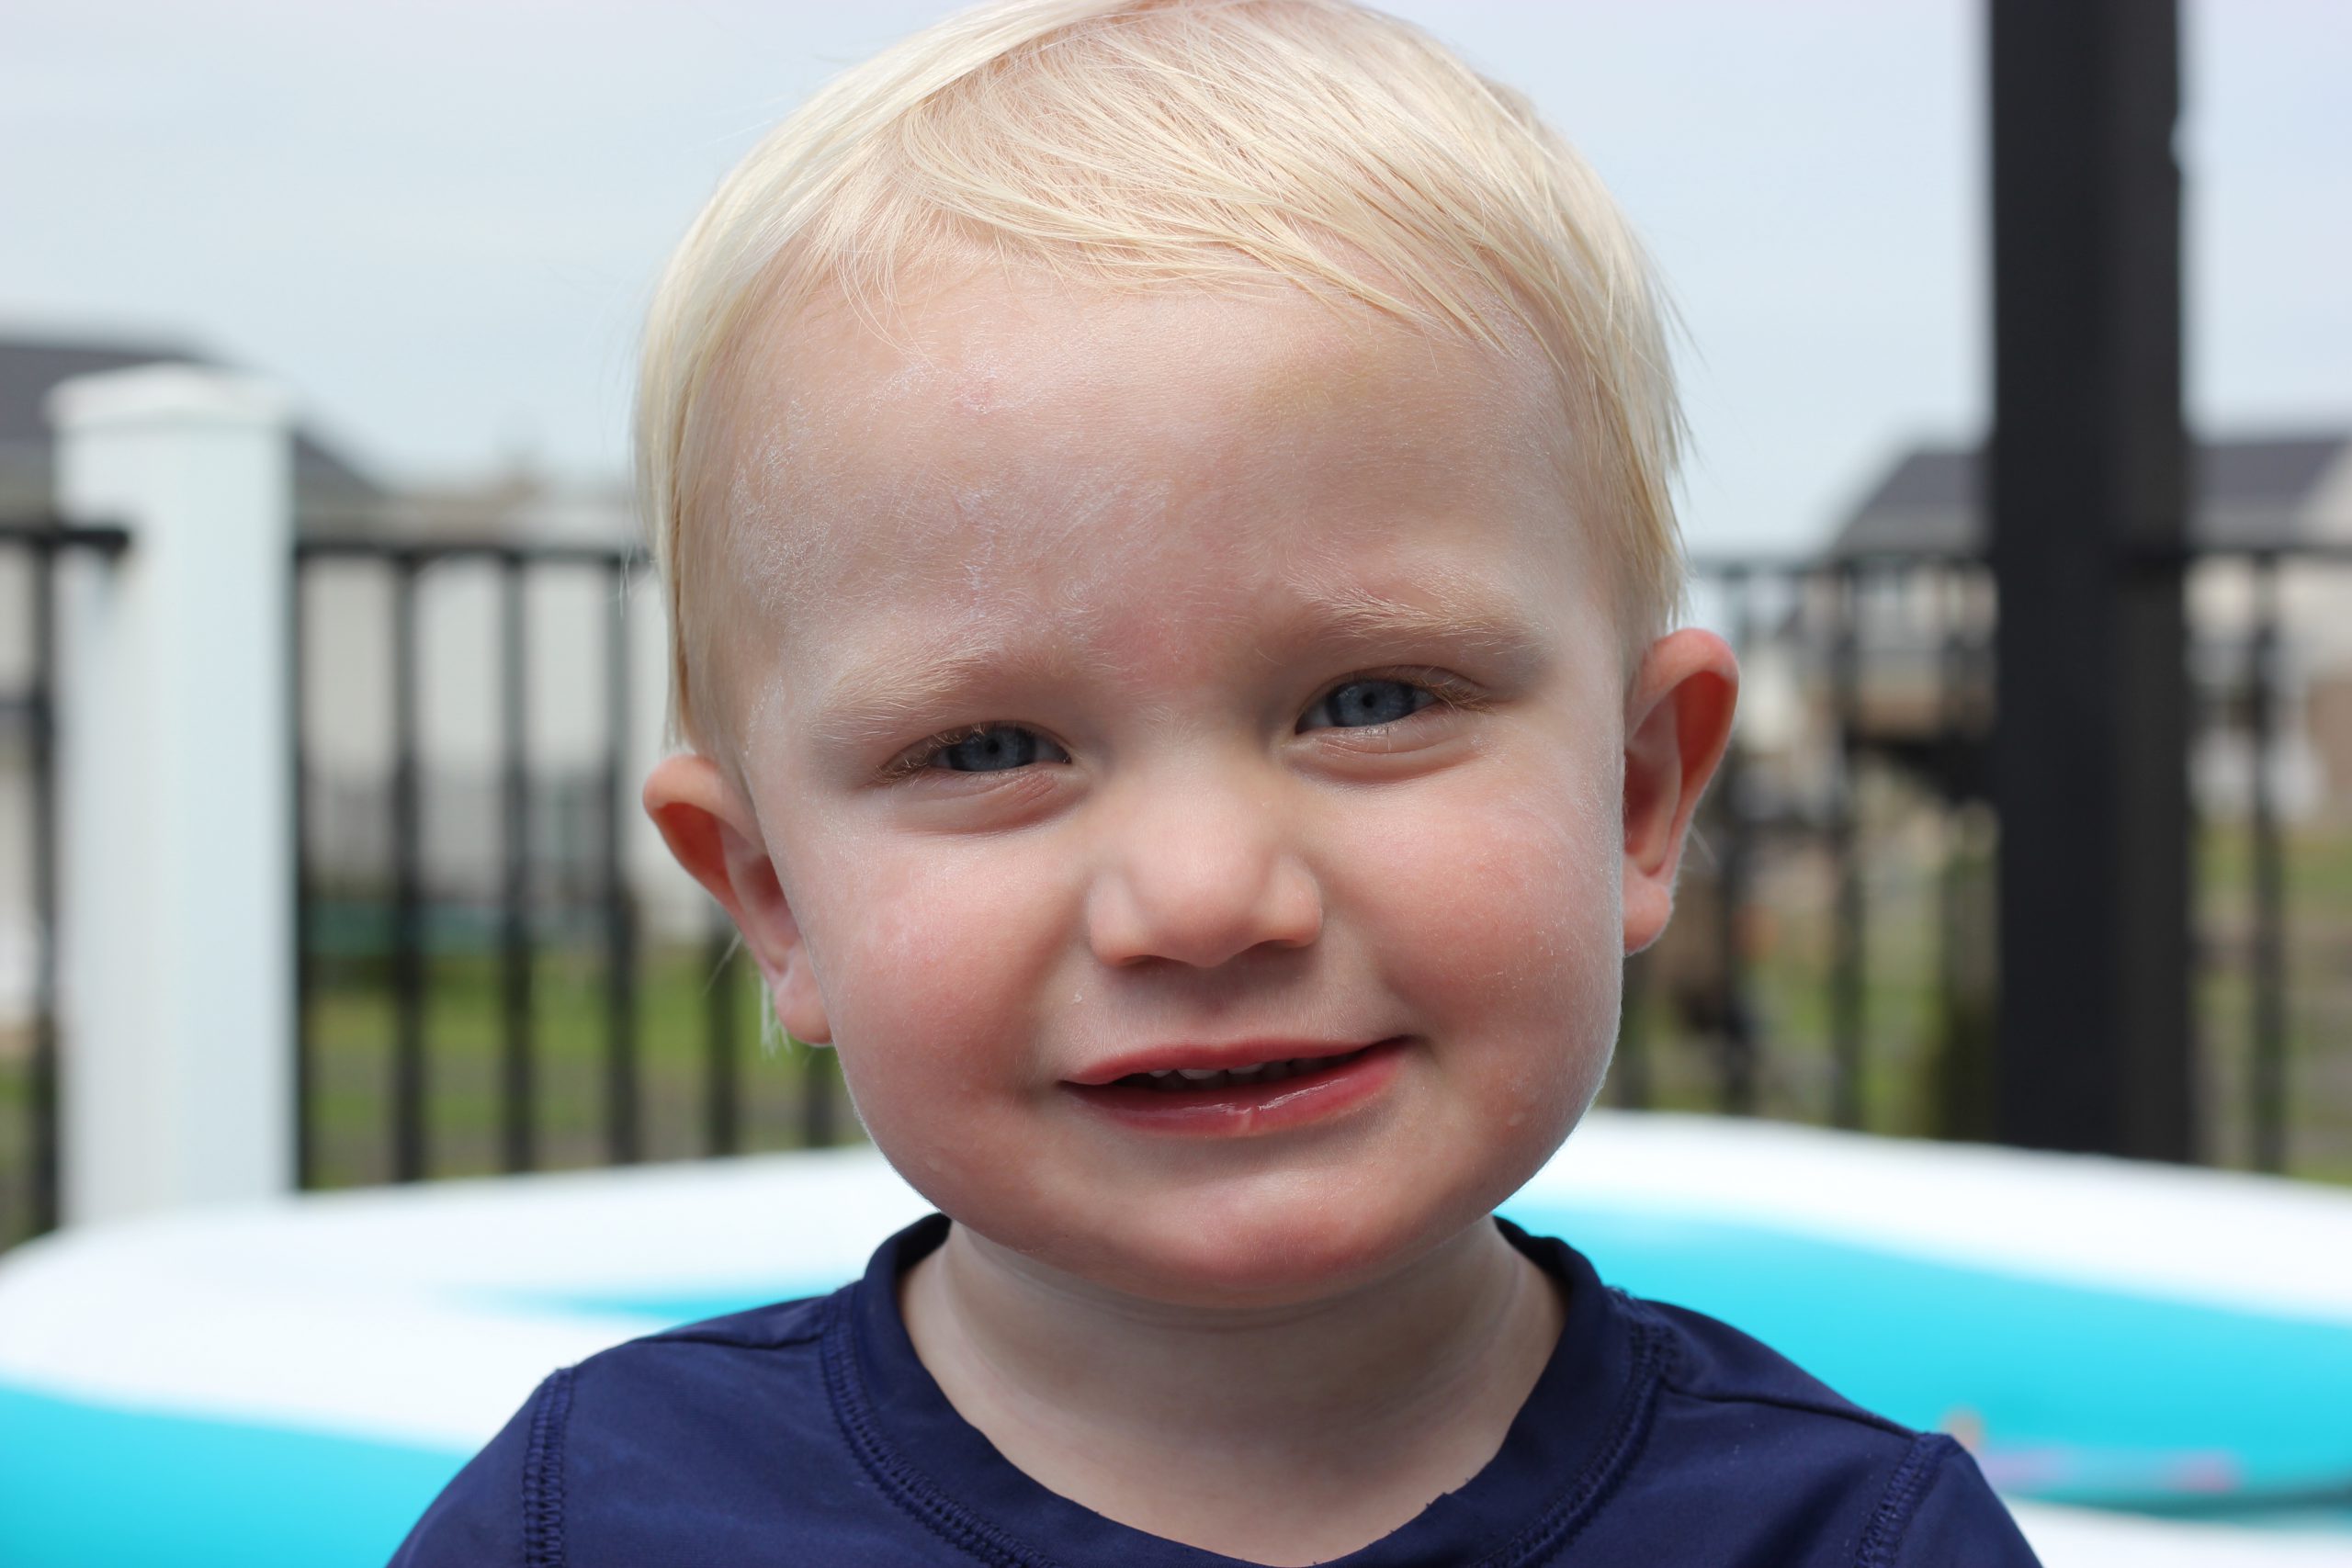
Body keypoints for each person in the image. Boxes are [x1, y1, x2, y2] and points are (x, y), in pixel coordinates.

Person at [393, 1, 2041, 1562]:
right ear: (773, 899)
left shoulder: (1852, 1543)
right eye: (988, 749)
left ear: (1635, 796)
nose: (1200, 899)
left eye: (1371, 702)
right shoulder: (588, 1528)